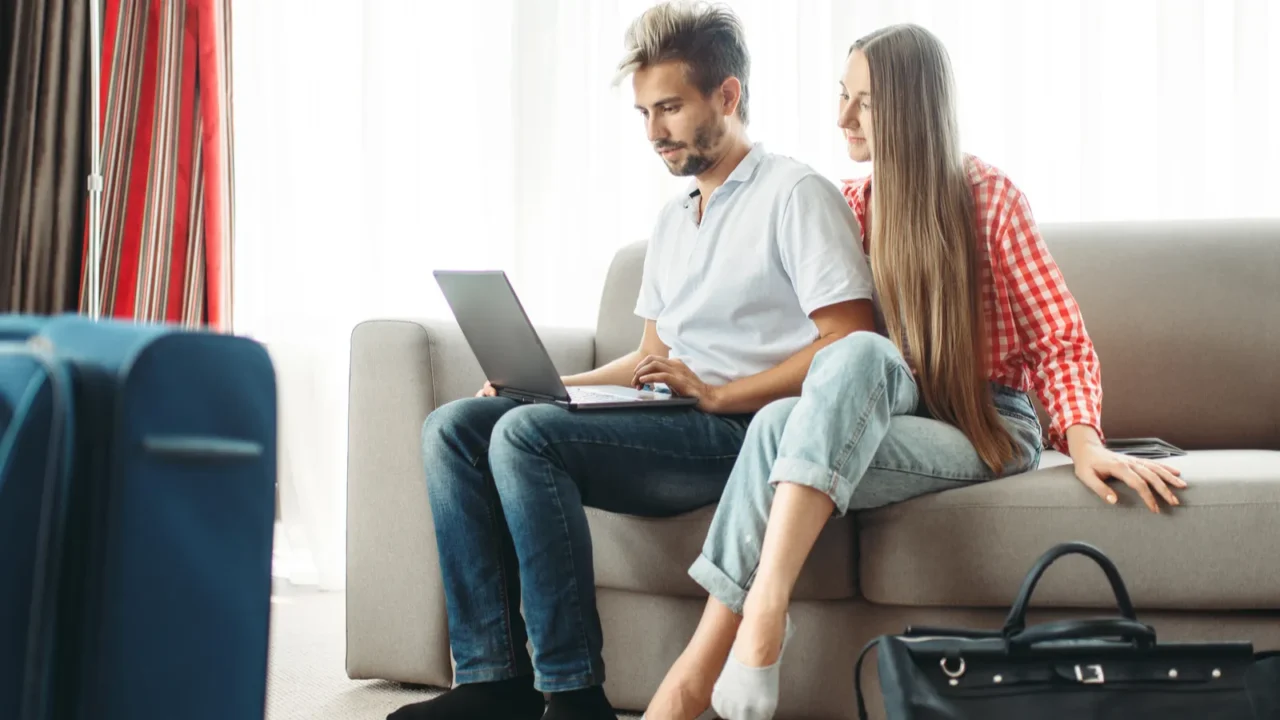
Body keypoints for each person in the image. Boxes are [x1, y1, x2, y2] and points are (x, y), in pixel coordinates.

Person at [644, 23, 1187, 720]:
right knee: (793, 408)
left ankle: (738, 636)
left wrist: (1083, 441)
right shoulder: (847, 206)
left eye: (864, 102)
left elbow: (1059, 338)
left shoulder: (987, 196)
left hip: (988, 423)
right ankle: (720, 652)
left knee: (860, 351)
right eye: (841, 96)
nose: (842, 117)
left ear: (908, 106)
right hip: (890, 412)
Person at [388, 3, 881, 720]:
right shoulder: (675, 219)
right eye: (645, 113)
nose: (654, 132)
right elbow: (652, 356)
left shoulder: (795, 195)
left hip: (743, 433)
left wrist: (719, 392)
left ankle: (572, 694)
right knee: (455, 427)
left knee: (524, 437)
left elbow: (850, 341)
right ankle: (494, 682)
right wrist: (546, 386)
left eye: (670, 108)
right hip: (669, 417)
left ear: (727, 95)